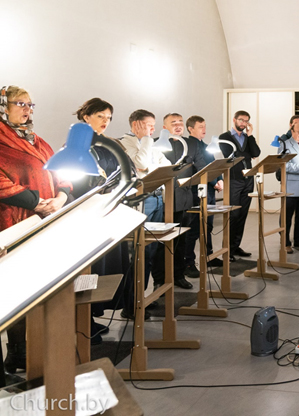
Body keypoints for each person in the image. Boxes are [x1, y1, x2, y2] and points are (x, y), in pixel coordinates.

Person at [0, 85, 72, 373]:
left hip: (45, 220)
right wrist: (37, 202)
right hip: (14, 222)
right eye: (21, 104)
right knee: (17, 287)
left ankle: (40, 345)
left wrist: (61, 197)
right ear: (3, 106)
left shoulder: (37, 141)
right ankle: (18, 351)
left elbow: (60, 171)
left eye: (30, 105)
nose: (27, 109)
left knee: (40, 284)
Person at [72, 98, 132, 343]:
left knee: (108, 266)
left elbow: (126, 170)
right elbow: (79, 182)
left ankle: (93, 315)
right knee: (92, 267)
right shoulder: (77, 144)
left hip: (110, 211)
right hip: (89, 215)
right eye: (100, 116)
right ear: (86, 117)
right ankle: (83, 321)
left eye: (109, 117)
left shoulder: (109, 143)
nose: (105, 121)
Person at [119, 109, 170, 318]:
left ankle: (141, 297)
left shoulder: (150, 144)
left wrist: (148, 165)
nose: (153, 130)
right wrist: (146, 140)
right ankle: (130, 304)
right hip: (141, 200)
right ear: (136, 125)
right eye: (149, 125)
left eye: (153, 126)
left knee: (151, 250)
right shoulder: (125, 143)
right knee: (138, 251)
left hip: (157, 197)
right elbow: (140, 164)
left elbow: (166, 165)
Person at [151, 113, 195, 290]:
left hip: (184, 199)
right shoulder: (156, 144)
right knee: (161, 243)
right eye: (173, 123)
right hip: (164, 201)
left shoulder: (191, 144)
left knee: (181, 241)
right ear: (164, 127)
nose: (178, 126)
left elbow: (200, 166)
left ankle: (178, 275)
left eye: (180, 122)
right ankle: (159, 280)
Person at [184, 115, 223, 275]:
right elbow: (198, 168)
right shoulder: (189, 145)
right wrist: (215, 182)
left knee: (208, 226)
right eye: (200, 126)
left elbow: (213, 165)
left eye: (205, 126)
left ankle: (208, 255)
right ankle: (188, 262)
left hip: (210, 190)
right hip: (197, 191)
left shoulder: (206, 146)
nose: (204, 129)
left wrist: (220, 180)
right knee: (194, 228)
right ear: (190, 129)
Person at [218, 110, 261, 258]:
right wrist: (245, 155)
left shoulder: (247, 138)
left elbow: (256, 153)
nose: (243, 123)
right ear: (234, 120)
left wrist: (250, 135)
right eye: (241, 120)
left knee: (243, 214)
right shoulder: (224, 137)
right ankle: (227, 249)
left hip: (248, 179)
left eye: (246, 121)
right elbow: (230, 155)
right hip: (233, 179)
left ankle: (235, 246)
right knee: (233, 214)